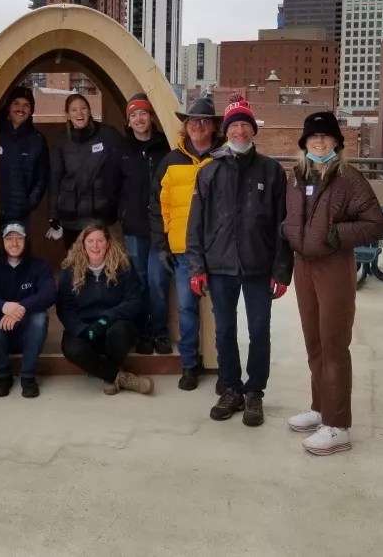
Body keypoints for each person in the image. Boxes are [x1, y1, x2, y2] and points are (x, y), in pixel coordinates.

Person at [282, 111, 383, 455]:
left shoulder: (349, 179)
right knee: (314, 341)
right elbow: (289, 217)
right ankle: (320, 407)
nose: (320, 142)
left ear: (337, 143)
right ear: (305, 143)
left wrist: (334, 234)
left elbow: (374, 224)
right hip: (304, 266)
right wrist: (289, 233)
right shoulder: (296, 177)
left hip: (333, 266)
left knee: (334, 343)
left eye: (326, 137)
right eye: (314, 138)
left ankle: (338, 424)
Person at [186, 98, 293, 427]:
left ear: (253, 130)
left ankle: (254, 393)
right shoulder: (210, 172)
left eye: (245, 125)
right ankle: (230, 388)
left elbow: (283, 226)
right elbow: (196, 223)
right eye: (234, 125)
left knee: (260, 331)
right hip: (219, 266)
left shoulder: (271, 171)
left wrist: (281, 271)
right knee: (225, 331)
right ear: (226, 131)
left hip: (259, 266)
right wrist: (197, 266)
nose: (240, 130)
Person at [148, 96, 224, 389]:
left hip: (218, 251)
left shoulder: (224, 159)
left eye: (204, 121)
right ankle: (189, 365)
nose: (198, 126)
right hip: (182, 251)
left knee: (222, 312)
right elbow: (158, 206)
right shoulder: (171, 161)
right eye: (192, 121)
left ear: (214, 126)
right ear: (186, 126)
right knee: (186, 310)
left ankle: (224, 367)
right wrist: (162, 245)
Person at [56, 223, 153, 396]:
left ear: (107, 243)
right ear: (83, 244)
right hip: (86, 329)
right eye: (90, 241)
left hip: (113, 325)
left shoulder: (123, 266)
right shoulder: (70, 271)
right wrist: (83, 330)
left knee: (121, 332)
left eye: (100, 240)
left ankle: (111, 370)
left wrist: (106, 319)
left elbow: (134, 301)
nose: (95, 246)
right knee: (72, 348)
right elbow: (65, 310)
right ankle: (118, 377)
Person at [0, 223, 55, 398]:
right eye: (9, 238)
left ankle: (28, 377)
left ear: (26, 241)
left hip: (28, 333)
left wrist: (21, 308)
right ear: (3, 242)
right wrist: (3, 306)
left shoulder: (39, 266)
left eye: (19, 238)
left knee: (40, 317)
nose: (14, 243)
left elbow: (49, 294)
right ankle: (3, 375)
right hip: (0, 333)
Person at [117, 93, 172, 356]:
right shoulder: (122, 150)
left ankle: (160, 332)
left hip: (161, 229)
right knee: (138, 282)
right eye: (133, 115)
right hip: (134, 228)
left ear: (151, 117)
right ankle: (143, 333)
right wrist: (121, 214)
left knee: (158, 282)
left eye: (143, 113)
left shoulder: (165, 148)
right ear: (128, 122)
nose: (139, 119)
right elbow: (113, 185)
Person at [46, 93, 127, 248]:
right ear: (67, 115)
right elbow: (55, 178)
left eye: (83, 108)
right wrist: (52, 214)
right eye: (74, 110)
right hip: (71, 216)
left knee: (99, 259)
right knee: (75, 263)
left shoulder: (108, 135)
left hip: (100, 215)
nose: (79, 113)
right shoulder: (61, 140)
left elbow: (124, 166)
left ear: (90, 111)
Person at [0, 85, 49, 235]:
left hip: (19, 214)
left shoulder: (37, 140)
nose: (21, 109)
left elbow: (42, 178)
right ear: (8, 107)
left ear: (31, 111)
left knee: (18, 254)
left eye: (26, 105)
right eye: (16, 103)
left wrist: (29, 203)